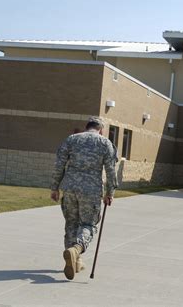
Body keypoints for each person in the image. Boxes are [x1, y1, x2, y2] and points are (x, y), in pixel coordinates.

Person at [50, 116, 118, 280]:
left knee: (71, 223)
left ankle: (75, 261)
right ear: (100, 129)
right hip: (91, 191)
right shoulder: (104, 143)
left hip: (70, 188)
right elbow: (110, 171)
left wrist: (55, 187)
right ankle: (77, 250)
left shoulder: (72, 139)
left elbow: (59, 164)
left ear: (87, 127)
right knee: (88, 224)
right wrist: (110, 193)